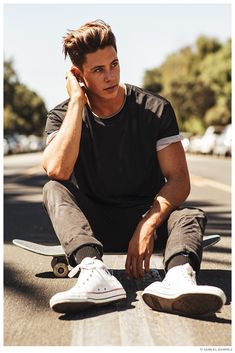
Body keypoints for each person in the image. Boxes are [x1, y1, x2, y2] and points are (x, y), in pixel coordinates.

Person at [42, 19, 226, 316]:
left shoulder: (155, 109)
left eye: (114, 64)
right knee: (53, 189)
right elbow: (57, 171)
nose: (110, 76)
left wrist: (148, 223)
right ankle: (93, 272)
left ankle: (178, 278)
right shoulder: (61, 116)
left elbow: (179, 180)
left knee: (188, 215)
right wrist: (77, 102)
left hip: (147, 219)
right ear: (78, 75)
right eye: (98, 70)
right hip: (92, 227)